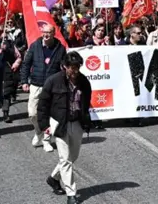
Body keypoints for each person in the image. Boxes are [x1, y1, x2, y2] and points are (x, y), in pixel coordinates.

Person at [38, 52, 92, 204]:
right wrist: (44, 126)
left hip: (77, 123)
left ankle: (53, 178)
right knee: (65, 159)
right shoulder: (53, 81)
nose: (75, 71)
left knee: (73, 156)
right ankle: (71, 194)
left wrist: (86, 119)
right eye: (72, 67)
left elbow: (86, 102)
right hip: (59, 124)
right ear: (65, 67)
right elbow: (42, 105)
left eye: (77, 67)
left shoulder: (84, 82)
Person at [22, 24, 66, 151]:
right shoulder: (35, 46)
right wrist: (24, 81)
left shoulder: (60, 48)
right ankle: (38, 132)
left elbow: (63, 68)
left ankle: (46, 140)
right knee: (33, 113)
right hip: (36, 84)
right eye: (44, 32)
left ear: (54, 33)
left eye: (49, 32)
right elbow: (26, 64)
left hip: (52, 87)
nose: (46, 35)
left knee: (48, 115)